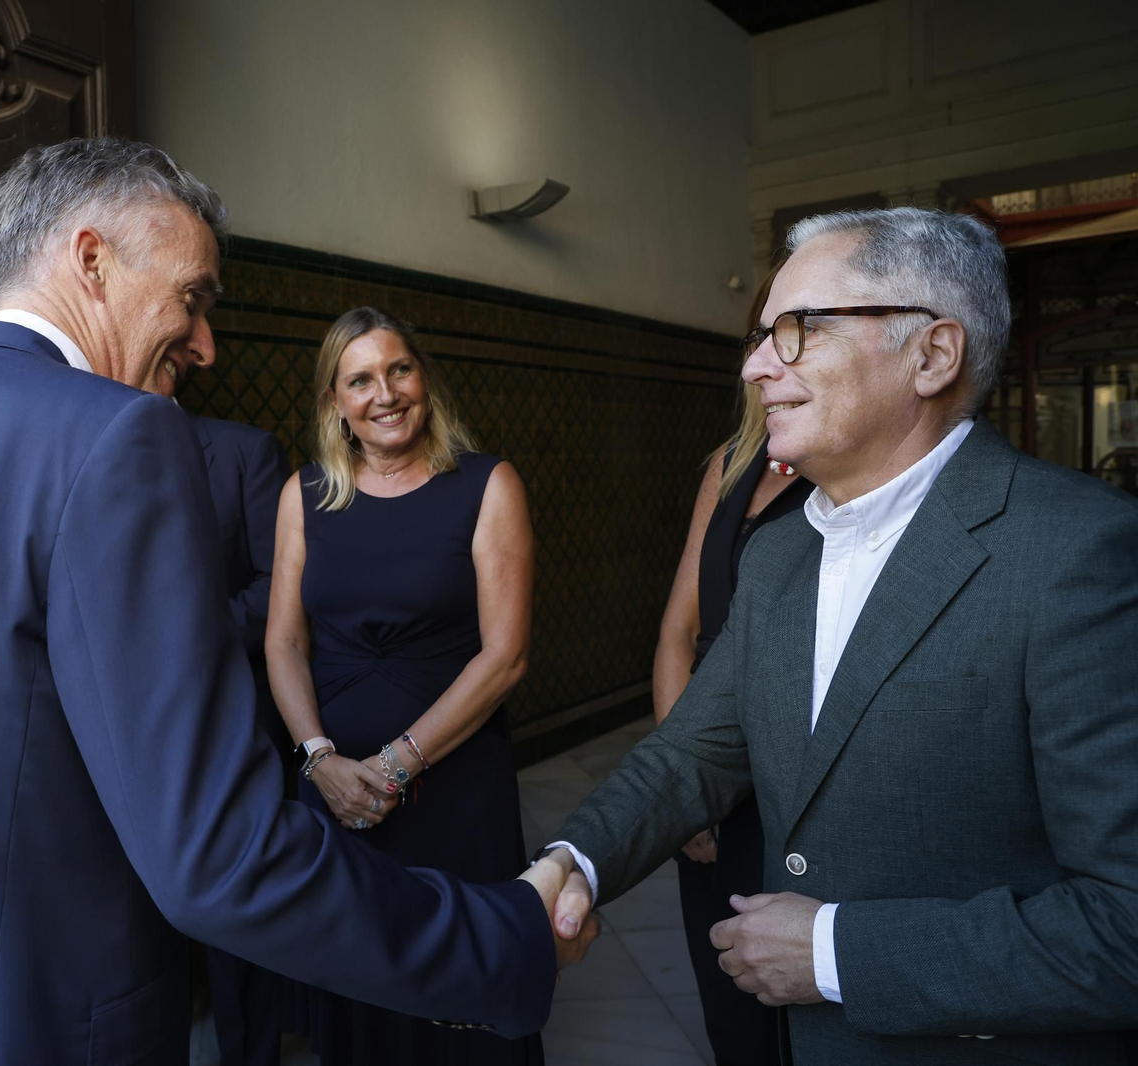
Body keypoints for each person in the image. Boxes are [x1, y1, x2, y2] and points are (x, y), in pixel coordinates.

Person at [0, 138, 596, 1066]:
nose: (207, 344)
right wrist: (497, 936)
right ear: (91, 260)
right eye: (193, 297)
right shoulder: (120, 439)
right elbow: (217, 855)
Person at [545, 207, 1138, 1064]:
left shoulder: (1078, 550)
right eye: (759, 336)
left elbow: (1124, 922)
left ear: (932, 355)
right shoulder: (781, 551)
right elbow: (690, 756)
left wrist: (833, 954)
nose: (756, 367)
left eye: (798, 331)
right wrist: (570, 864)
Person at [266, 306, 542, 1065]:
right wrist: (319, 761)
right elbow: (285, 640)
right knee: (357, 994)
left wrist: (395, 765)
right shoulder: (307, 493)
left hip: (453, 787)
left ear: (423, 379)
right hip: (334, 791)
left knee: (464, 987)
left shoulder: (487, 484)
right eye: (359, 380)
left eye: (398, 369)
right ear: (335, 402)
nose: (384, 393)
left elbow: (506, 655)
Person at [652, 266, 809, 1066]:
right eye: (761, 333)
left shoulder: (841, 472)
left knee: (800, 1012)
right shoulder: (728, 462)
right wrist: (687, 789)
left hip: (794, 771)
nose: (769, 357)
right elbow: (680, 628)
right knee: (732, 1010)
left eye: (795, 334)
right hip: (711, 760)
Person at [189, 411, 291, 1066]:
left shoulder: (243, 452)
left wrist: (178, 631)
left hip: (232, 716)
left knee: (240, 917)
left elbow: (277, 585)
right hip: (111, 725)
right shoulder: (70, 447)